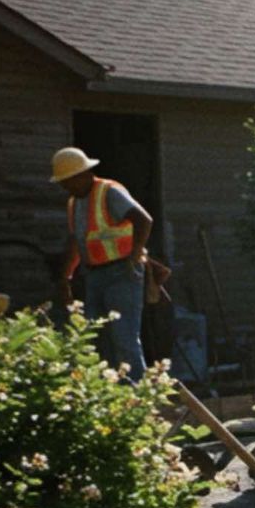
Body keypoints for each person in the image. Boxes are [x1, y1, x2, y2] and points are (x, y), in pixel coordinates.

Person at [53, 146, 153, 381]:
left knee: (124, 338)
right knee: (94, 337)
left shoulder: (109, 192)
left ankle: (138, 397)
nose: (65, 187)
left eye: (67, 181)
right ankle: (109, 396)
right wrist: (65, 277)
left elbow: (144, 220)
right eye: (62, 183)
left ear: (83, 174)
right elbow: (77, 242)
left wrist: (136, 253)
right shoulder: (74, 203)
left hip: (122, 272)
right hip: (94, 276)